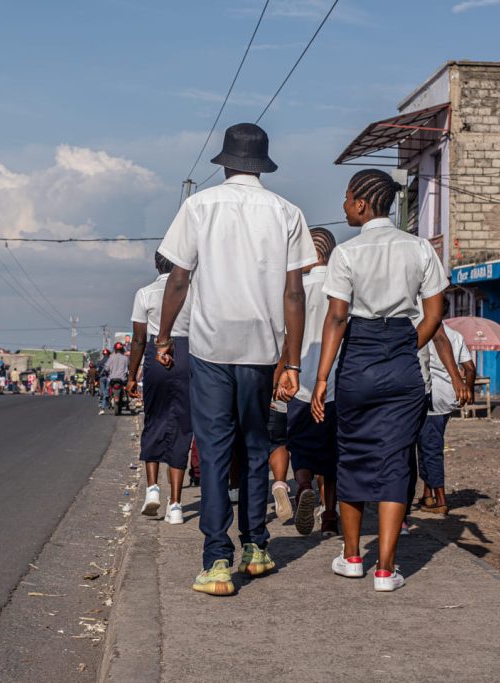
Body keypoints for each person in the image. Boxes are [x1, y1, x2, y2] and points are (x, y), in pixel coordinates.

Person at [156, 123, 314, 596]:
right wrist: (291, 362)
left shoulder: (199, 206)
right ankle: (257, 547)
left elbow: (179, 279)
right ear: (262, 165)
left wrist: (164, 336)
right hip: (262, 350)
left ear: (225, 162)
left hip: (209, 346)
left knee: (216, 448)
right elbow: (294, 291)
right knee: (255, 447)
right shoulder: (287, 212)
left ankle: (216, 560)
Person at [311, 169, 449, 592]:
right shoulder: (420, 248)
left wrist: (321, 378)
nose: (344, 205)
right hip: (403, 358)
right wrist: (408, 346)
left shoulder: (346, 254)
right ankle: (386, 570)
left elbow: (337, 316)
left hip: (358, 357)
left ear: (362, 203)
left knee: (351, 453)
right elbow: (435, 313)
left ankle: (353, 557)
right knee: (394, 461)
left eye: (347, 198)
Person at [282, 227, 341, 536]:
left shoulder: (297, 289)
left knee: (301, 446)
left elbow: (285, 337)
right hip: (335, 384)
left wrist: (280, 371)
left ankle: (303, 485)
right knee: (332, 454)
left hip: (300, 382)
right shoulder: (342, 285)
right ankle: (330, 515)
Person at [128, 252, 193, 525]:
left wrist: (131, 375)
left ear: (156, 264)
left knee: (154, 419)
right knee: (182, 426)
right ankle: (176, 504)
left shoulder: (145, 293)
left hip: (157, 355)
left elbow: (139, 339)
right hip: (188, 355)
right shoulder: (192, 291)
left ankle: (152, 488)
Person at [417, 316, 475, 514]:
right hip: (449, 396)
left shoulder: (423, 330)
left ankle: (440, 500)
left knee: (430, 447)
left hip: (430, 394)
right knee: (427, 443)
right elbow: (470, 368)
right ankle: (428, 495)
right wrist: (468, 389)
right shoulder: (456, 336)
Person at [97, 349, 111, 414]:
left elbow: (98, 371)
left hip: (102, 378)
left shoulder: (99, 362)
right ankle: (104, 405)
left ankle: (102, 403)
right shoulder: (111, 361)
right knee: (107, 392)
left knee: (102, 392)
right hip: (109, 377)